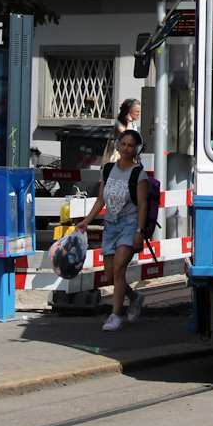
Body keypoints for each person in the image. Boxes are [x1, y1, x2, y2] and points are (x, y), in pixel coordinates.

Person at [77, 129, 150, 331]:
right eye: (123, 144)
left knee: (119, 268)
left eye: (130, 145)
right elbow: (101, 199)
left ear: (137, 149)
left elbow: (142, 206)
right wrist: (86, 221)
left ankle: (115, 315)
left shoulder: (139, 174)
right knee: (110, 275)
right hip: (110, 225)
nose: (126, 148)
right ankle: (135, 297)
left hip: (129, 224)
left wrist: (139, 231)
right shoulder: (108, 170)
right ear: (118, 145)